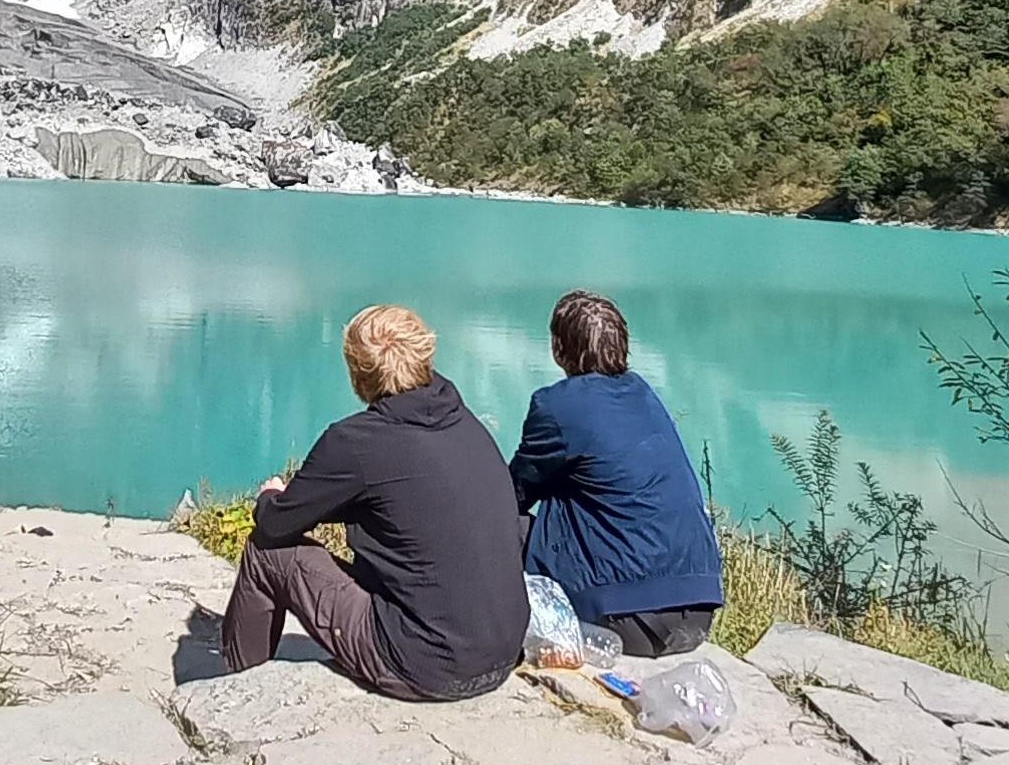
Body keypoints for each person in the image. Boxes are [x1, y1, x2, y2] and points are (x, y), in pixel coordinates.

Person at [221, 304, 527, 701]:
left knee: (268, 553)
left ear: (357, 373)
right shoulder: (464, 421)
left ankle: (234, 690)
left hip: (426, 664)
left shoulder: (356, 443)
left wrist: (269, 498)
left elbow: (277, 525)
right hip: (501, 652)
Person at [510, 290, 723, 655]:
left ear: (559, 349)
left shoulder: (556, 406)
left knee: (498, 522)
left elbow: (513, 492)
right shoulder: (642, 393)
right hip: (698, 610)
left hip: (628, 617)